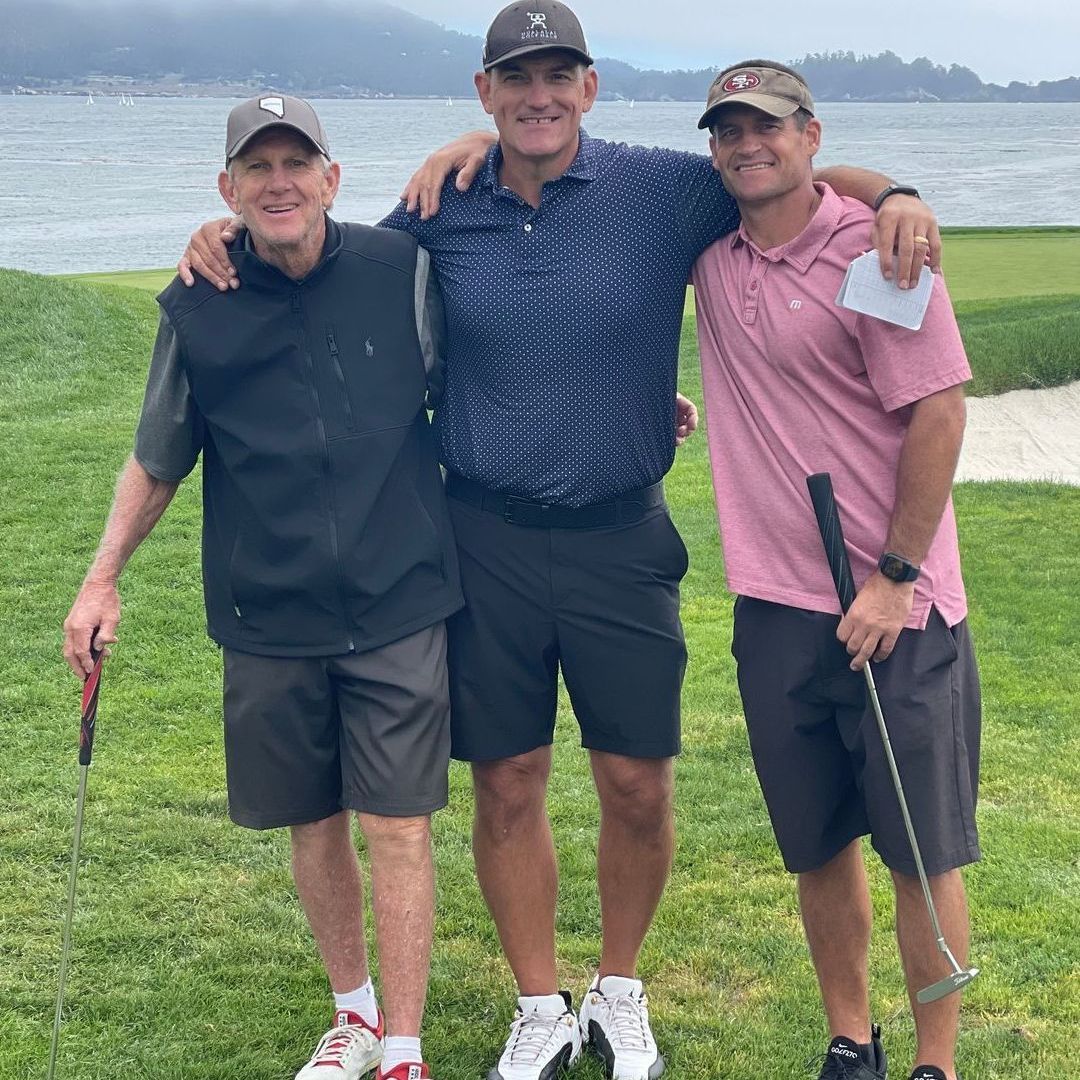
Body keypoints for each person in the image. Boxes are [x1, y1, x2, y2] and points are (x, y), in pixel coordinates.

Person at [179, 6, 942, 1078]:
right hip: (482, 535)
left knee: (637, 781)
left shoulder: (660, 189)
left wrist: (896, 192)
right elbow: (317, 247)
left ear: (589, 89)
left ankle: (620, 991)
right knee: (510, 781)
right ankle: (539, 1003)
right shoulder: (440, 200)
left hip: (621, 538)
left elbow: (786, 177)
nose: (538, 94)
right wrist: (224, 237)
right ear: (485, 95)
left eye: (558, 75)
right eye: (514, 77)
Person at [63, 95, 463, 1080]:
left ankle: (404, 1048)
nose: (279, 183)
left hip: (398, 597)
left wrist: (630, 409)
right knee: (312, 819)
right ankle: (355, 1016)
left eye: (298, 164)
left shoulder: (400, 271)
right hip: (267, 610)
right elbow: (158, 456)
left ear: (332, 177)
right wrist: (101, 579)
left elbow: (484, 380)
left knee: (398, 824)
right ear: (228, 188)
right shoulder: (197, 304)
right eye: (258, 168)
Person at [690, 61, 979, 1080]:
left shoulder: (876, 252)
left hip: (892, 608)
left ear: (810, 135)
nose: (746, 146)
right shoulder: (713, 256)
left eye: (767, 128)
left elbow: (939, 412)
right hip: (776, 604)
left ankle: (934, 1065)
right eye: (727, 131)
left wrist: (896, 575)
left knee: (919, 851)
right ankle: (851, 1040)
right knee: (816, 845)